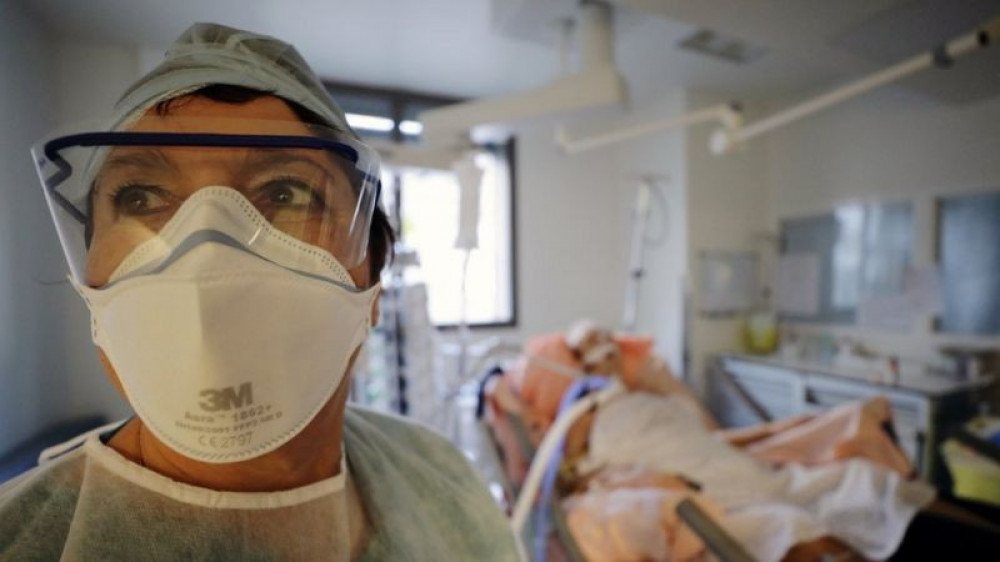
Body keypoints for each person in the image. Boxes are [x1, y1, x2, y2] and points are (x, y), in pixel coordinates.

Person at [0, 23, 521, 561]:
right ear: (90, 281)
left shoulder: (441, 482)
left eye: (286, 192)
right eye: (140, 198)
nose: (207, 254)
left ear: (372, 285)